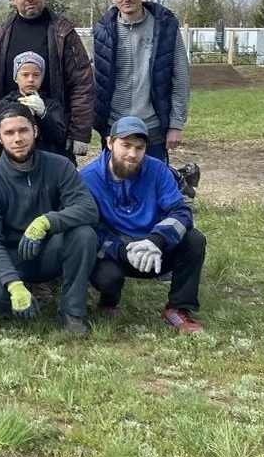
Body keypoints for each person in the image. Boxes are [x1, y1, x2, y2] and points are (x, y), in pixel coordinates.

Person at [0, 103, 99, 336]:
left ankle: (72, 312)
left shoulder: (59, 166)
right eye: (9, 133)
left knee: (83, 235)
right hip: (10, 256)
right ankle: (21, 294)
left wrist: (47, 222)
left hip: (48, 250)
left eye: (23, 130)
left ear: (35, 131)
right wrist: (13, 283)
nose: (17, 139)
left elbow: (88, 209)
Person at [80, 116, 206, 333]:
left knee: (195, 240)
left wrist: (157, 240)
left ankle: (178, 308)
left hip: (154, 250)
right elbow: (89, 227)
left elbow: (180, 211)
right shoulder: (88, 178)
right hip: (117, 252)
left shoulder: (158, 170)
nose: (132, 153)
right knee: (107, 276)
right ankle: (108, 301)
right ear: (109, 143)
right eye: (126, 145)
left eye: (139, 148)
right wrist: (120, 251)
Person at [0, 0, 93, 162]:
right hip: (13, 134)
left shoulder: (63, 33)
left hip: (54, 133)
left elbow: (81, 83)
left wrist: (79, 131)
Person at [92, 0, 191, 162]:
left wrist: (176, 124)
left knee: (153, 178)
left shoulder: (165, 27)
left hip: (152, 126)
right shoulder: (102, 31)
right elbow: (98, 79)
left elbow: (181, 75)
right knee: (115, 178)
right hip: (114, 126)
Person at [0, 52, 67, 156]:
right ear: (15, 78)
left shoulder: (52, 105)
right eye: (25, 75)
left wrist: (44, 114)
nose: (31, 80)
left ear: (42, 77)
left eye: (36, 75)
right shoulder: (4, 104)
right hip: (15, 159)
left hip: (46, 158)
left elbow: (59, 137)